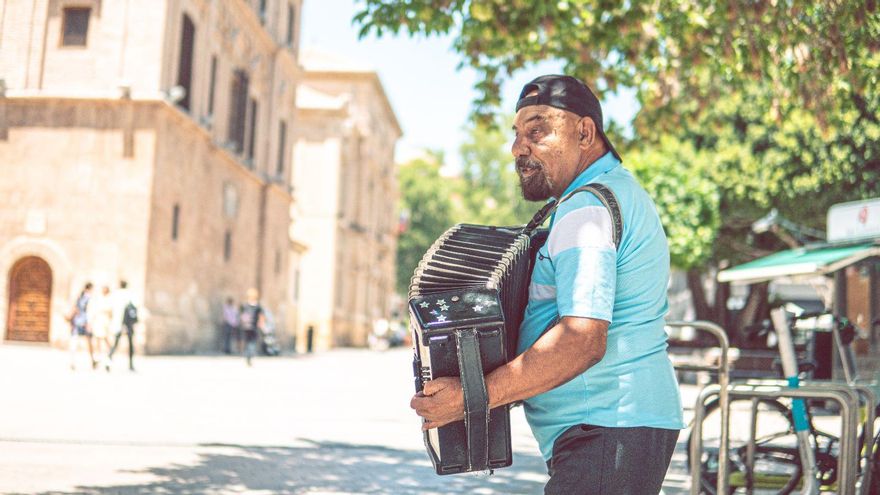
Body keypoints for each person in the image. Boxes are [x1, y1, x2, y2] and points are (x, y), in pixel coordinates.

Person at [411, 75, 685, 494]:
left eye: (538, 130)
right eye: (518, 134)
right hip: (614, 428)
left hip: (606, 427)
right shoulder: (610, 195)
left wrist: (471, 396)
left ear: (585, 132)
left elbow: (581, 339)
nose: (519, 147)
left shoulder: (587, 210)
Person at [107, 280, 136, 372]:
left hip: (118, 322)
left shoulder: (115, 294)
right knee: (130, 344)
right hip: (127, 323)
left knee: (115, 343)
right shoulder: (129, 294)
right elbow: (135, 306)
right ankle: (131, 364)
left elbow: (110, 308)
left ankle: (109, 360)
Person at [68, 282, 96, 370]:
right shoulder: (89, 298)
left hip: (77, 322)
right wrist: (89, 323)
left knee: (74, 341)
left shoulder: (80, 297)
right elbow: (89, 311)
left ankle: (72, 361)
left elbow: (75, 308)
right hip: (85, 322)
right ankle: (92, 360)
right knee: (89, 342)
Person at [238, 288, 265, 366]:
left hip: (248, 326)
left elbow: (242, 316)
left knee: (249, 342)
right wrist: (261, 324)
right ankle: (249, 356)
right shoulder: (255, 306)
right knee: (251, 342)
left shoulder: (246, 305)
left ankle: (248, 356)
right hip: (250, 326)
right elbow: (261, 316)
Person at [89, 285, 114, 364]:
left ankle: (110, 354)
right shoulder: (99, 299)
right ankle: (98, 355)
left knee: (106, 338)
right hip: (99, 321)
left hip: (105, 322)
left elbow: (111, 313)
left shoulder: (110, 299)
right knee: (98, 338)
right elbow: (94, 310)